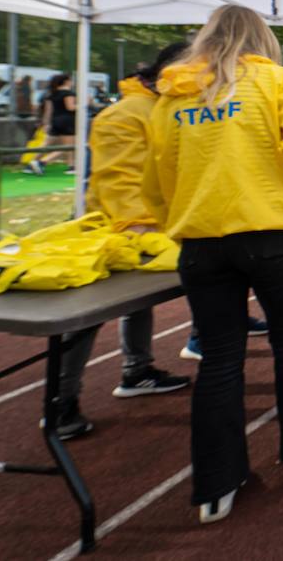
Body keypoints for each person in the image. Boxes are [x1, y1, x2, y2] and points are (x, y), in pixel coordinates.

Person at [144, 4, 283, 524]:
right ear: (261, 37)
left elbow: (158, 174)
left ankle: (215, 485)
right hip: (273, 230)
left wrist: (178, 217)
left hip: (202, 241)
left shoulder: (175, 95)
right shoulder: (280, 82)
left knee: (220, 357)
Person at [44, 45, 193, 441]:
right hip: (120, 233)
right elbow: (119, 178)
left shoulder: (163, 107)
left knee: (137, 306)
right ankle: (60, 402)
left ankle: (137, 369)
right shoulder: (125, 115)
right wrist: (138, 226)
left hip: (152, 229)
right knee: (88, 316)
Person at [27, 72, 76, 173]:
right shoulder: (69, 93)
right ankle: (42, 162)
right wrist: (83, 105)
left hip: (55, 120)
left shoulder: (51, 94)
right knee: (68, 147)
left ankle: (31, 164)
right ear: (66, 81)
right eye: (70, 80)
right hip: (67, 121)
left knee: (46, 144)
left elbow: (49, 111)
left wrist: (46, 123)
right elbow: (70, 107)